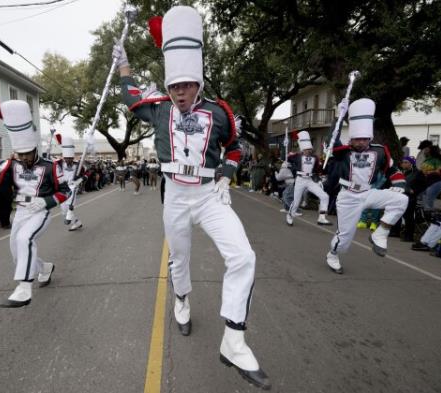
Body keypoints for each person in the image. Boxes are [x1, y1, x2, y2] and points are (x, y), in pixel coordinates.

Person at [116, 6, 270, 389]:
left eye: (186, 86)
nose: (180, 93)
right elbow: (129, 93)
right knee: (179, 258)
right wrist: (123, 66)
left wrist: (228, 173)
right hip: (176, 196)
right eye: (174, 87)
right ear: (168, 86)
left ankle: (234, 339)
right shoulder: (158, 110)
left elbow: (234, 149)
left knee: (243, 256)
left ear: (198, 84)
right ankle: (181, 299)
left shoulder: (221, 113)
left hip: (209, 194)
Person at [0, 100, 71, 308]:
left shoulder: (51, 166)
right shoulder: (12, 164)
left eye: (28, 152)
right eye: (21, 153)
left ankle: (24, 288)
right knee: (17, 250)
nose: (25, 158)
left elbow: (65, 191)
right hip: (21, 211)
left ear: (35, 148)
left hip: (40, 212)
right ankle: (44, 268)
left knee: (25, 239)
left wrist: (46, 202)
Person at [324, 98, 408, 274]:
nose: (361, 142)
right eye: (357, 139)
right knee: (345, 238)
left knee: (401, 200)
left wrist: (399, 182)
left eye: (364, 139)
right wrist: (338, 118)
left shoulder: (380, 151)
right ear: (351, 139)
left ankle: (381, 233)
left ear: (369, 137)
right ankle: (333, 254)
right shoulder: (342, 152)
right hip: (348, 196)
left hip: (369, 193)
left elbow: (392, 169)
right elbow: (331, 140)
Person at [285, 130, 331, 226]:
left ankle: (322, 217)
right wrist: (289, 156)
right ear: (302, 149)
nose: (308, 151)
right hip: (300, 180)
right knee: (296, 202)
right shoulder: (297, 156)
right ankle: (289, 215)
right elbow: (288, 159)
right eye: (306, 149)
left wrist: (318, 178)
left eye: (309, 149)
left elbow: (317, 170)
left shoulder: (315, 158)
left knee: (324, 196)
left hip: (309, 180)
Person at [59, 136, 84, 231]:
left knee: (70, 205)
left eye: (70, 158)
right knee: (63, 210)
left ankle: (70, 213)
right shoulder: (60, 164)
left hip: (73, 186)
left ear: (72, 157)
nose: (68, 160)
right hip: (63, 187)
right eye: (66, 158)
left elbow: (85, 175)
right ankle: (77, 223)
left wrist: (80, 179)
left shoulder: (78, 165)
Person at [420, 145, 441, 211]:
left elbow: (440, 171)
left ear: (431, 151)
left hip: (437, 182)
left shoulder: (436, 160)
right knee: (424, 199)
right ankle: (426, 214)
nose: (424, 151)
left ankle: (429, 216)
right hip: (429, 182)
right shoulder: (426, 160)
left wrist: (429, 172)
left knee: (428, 201)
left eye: (426, 150)